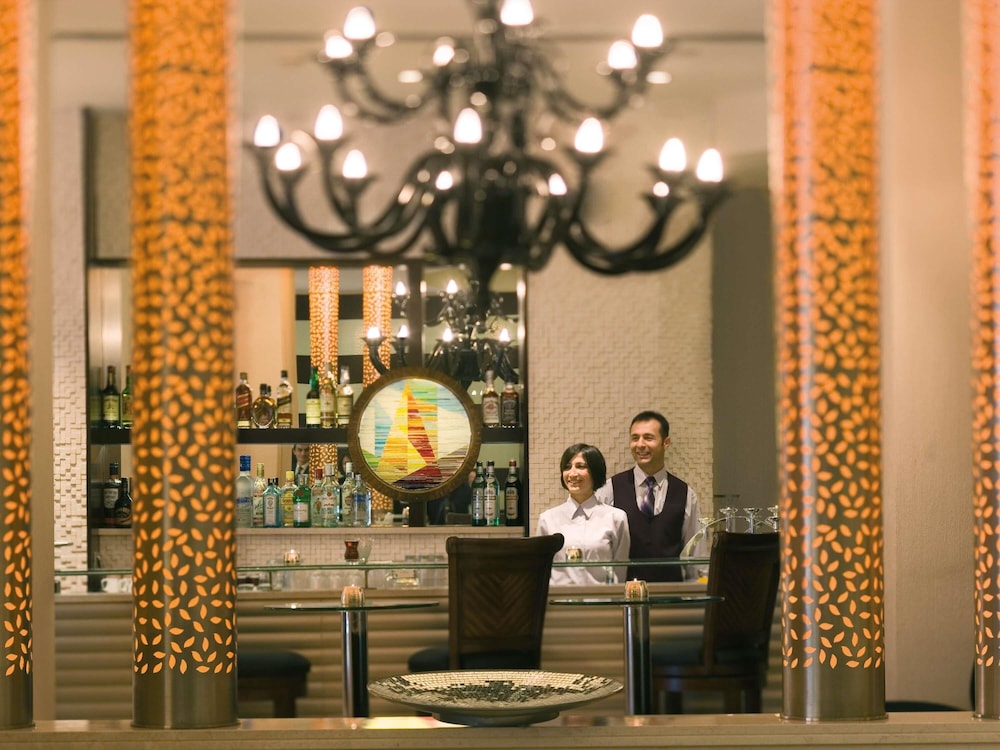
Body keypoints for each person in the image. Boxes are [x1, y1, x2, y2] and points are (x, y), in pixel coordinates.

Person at [595, 410, 705, 582]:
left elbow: (696, 554)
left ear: (666, 442)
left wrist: (697, 590)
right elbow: (599, 548)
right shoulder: (610, 489)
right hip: (624, 593)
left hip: (672, 593)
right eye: (635, 438)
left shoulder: (685, 493)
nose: (640, 444)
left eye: (648, 438)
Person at [536, 443, 630, 585]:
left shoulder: (616, 518)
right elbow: (540, 570)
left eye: (580, 466)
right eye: (567, 467)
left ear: (595, 471)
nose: (572, 473)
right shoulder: (547, 519)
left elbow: (620, 571)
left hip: (601, 598)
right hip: (559, 598)